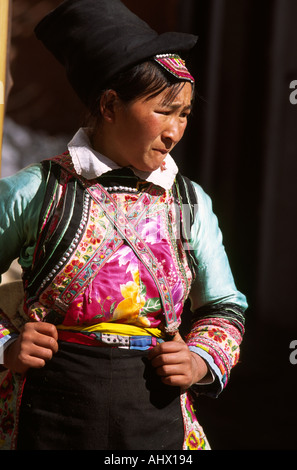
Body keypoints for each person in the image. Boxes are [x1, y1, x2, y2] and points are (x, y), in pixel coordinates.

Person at [0, 0, 248, 451]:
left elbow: (224, 306)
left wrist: (198, 360)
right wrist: (7, 344)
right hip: (50, 408)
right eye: (164, 110)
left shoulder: (189, 202)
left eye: (185, 114)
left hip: (154, 412)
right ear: (110, 105)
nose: (175, 131)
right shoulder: (37, 191)